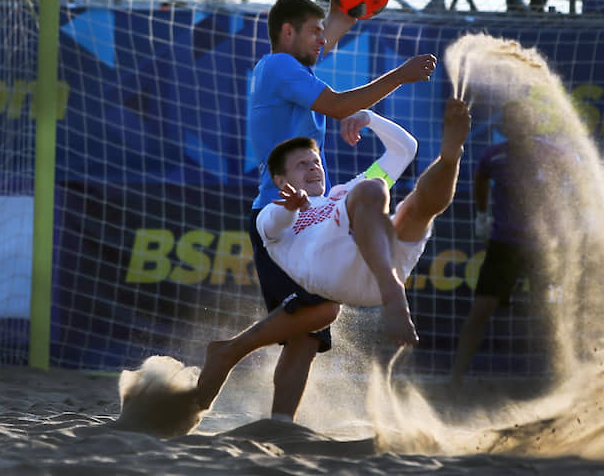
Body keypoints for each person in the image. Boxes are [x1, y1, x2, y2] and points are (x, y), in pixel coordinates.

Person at [243, 0, 439, 423]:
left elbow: (345, 12)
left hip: (306, 211)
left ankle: (279, 425)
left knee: (306, 337)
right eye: (313, 33)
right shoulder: (278, 68)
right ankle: (226, 354)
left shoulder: (292, 62)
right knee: (309, 323)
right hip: (279, 212)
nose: (323, 40)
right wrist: (400, 75)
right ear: (288, 33)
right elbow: (338, 106)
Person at [196, 99, 473, 410]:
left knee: (414, 210)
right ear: (280, 181)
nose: (314, 167)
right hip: (333, 272)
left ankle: (450, 159)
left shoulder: (341, 194)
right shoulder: (273, 213)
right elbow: (271, 228)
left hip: (376, 267)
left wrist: (368, 117)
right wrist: (291, 208)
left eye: (315, 162)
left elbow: (405, 149)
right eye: (302, 164)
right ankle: (393, 293)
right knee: (372, 190)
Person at [449, 100, 568, 387]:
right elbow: (480, 177)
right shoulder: (495, 156)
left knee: (550, 315)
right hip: (504, 245)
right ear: (506, 127)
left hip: (543, 249)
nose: (518, 126)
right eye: (513, 121)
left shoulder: (552, 154)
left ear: (533, 124)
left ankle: (561, 379)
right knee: (481, 310)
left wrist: (565, 217)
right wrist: (481, 214)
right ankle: (455, 379)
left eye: (524, 120)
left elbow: (576, 179)